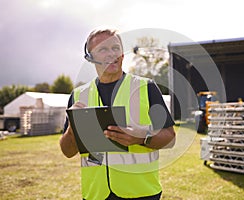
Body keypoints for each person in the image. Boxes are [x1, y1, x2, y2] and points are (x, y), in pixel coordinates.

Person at [59, 29, 176, 200]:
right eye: (103, 49)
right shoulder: (78, 96)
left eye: (115, 48)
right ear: (90, 57)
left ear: (122, 54)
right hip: (96, 194)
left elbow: (170, 138)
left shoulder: (146, 87)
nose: (111, 54)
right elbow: (67, 151)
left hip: (141, 193)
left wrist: (141, 138)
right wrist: (72, 127)